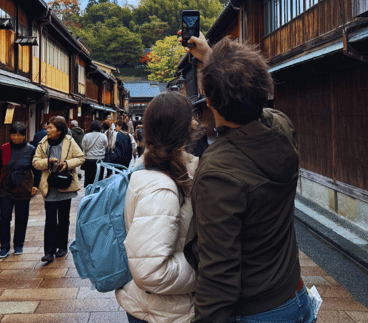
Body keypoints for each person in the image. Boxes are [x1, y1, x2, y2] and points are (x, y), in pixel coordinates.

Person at [182, 34, 309, 323]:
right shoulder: (281, 127)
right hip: (292, 293)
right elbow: (250, 96)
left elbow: (219, 272)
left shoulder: (218, 171)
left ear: (210, 101)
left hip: (256, 311)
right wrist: (213, 57)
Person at [115, 91, 198, 323]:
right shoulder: (159, 189)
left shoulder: (154, 166)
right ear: (184, 132)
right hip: (163, 311)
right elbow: (150, 272)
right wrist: (206, 268)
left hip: (162, 307)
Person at [32, 116, 85, 264]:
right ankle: (48, 251)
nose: (47, 130)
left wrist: (67, 164)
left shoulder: (69, 141)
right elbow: (35, 162)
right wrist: (48, 162)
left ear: (60, 130)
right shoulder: (43, 143)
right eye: (47, 127)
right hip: (49, 186)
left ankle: (62, 246)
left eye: (51, 127)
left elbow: (80, 157)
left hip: (65, 185)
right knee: (50, 219)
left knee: (63, 218)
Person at [0, 122, 39, 258]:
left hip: (23, 188)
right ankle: (4, 247)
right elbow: (2, 167)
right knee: (4, 218)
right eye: (13, 134)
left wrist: (35, 185)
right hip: (6, 188)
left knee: (21, 218)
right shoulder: (4, 148)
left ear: (24, 136)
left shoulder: (31, 149)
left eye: (19, 135)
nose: (16, 137)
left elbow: (35, 169)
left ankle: (18, 245)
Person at [81, 120, 108, 186]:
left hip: (89, 160)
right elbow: (106, 145)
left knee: (89, 178)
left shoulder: (86, 136)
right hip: (100, 160)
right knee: (99, 178)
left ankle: (89, 192)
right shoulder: (103, 136)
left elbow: (83, 146)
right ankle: (97, 194)